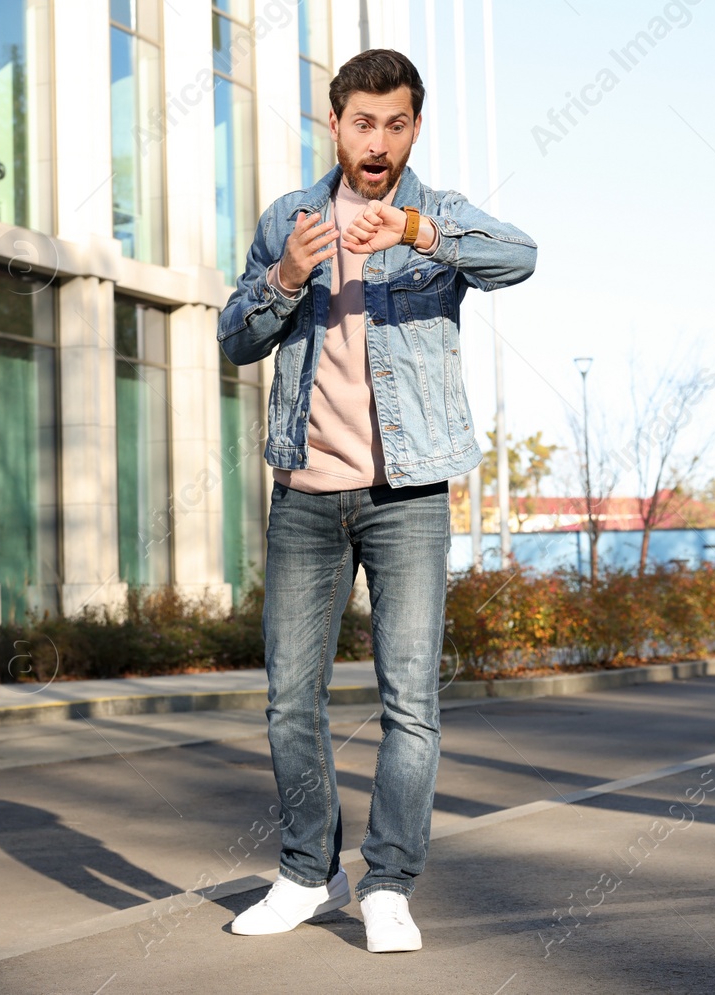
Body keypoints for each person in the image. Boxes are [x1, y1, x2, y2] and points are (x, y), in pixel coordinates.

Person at [216, 48, 538, 953]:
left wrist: (420, 235)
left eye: (397, 124)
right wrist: (284, 279)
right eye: (364, 122)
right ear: (336, 124)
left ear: (414, 128)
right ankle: (306, 873)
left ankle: (388, 883)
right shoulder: (291, 217)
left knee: (409, 704)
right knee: (289, 698)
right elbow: (234, 336)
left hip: (408, 497)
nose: (379, 141)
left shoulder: (433, 214)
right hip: (308, 497)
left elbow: (521, 256)